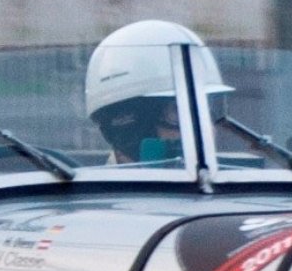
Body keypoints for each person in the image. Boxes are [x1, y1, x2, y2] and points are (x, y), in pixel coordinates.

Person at [84, 19, 229, 165]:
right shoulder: (93, 180)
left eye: (205, 110)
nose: (206, 130)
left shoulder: (230, 176)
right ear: (130, 127)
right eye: (179, 111)